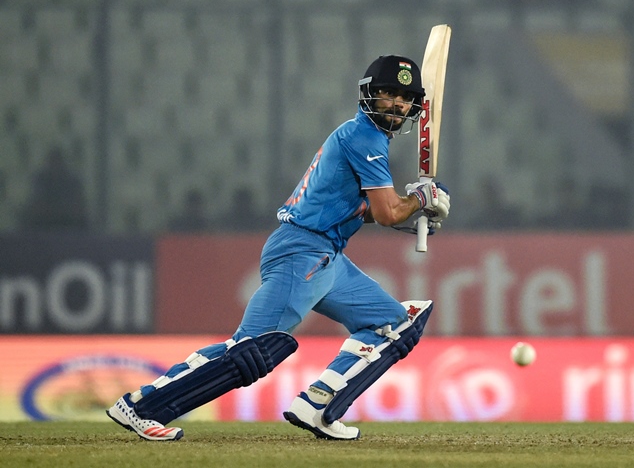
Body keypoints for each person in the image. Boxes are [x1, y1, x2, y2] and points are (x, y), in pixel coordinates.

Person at [106, 55, 451, 441]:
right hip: (302, 251)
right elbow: (388, 213)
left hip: (326, 256)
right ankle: (140, 406)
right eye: (388, 93)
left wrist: (422, 204)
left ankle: (320, 404)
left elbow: (366, 211)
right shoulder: (364, 136)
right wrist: (419, 201)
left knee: (393, 325)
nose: (397, 104)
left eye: (405, 97)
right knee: (252, 351)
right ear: (369, 94)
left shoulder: (363, 139)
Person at [20, 146, 89, 231]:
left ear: (63, 164)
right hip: (40, 228)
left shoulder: (73, 183)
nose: (55, 166)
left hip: (71, 229)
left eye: (58, 162)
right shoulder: (40, 181)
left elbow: (79, 208)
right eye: (52, 162)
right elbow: (36, 205)